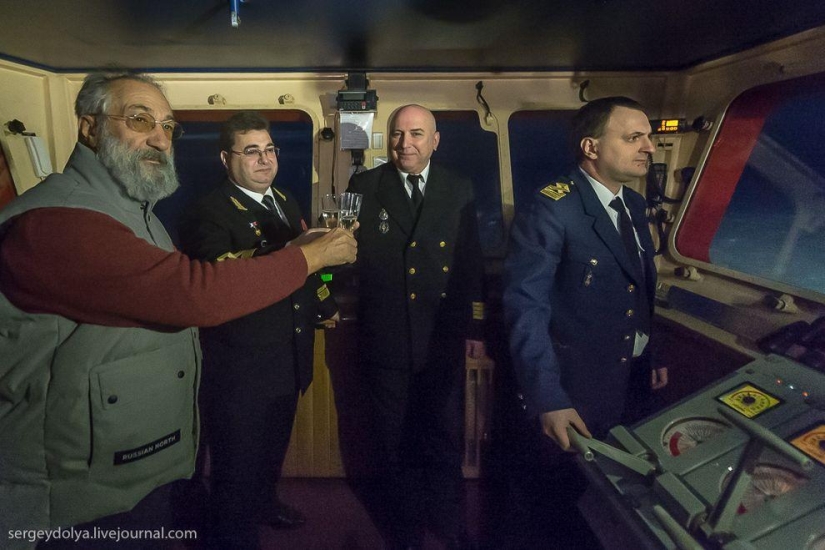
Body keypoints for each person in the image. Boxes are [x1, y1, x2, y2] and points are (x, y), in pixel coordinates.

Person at [0, 72, 356, 550]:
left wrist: (321, 294)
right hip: (74, 499)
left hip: (124, 473)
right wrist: (311, 256)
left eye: (168, 126)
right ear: (89, 128)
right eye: (139, 119)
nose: (159, 137)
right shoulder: (57, 220)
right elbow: (195, 292)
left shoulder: (133, 211)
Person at [502, 96, 668, 544]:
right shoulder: (552, 206)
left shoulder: (632, 206)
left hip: (627, 380)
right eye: (634, 137)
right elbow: (525, 306)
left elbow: (640, 290)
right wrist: (548, 398)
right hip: (574, 386)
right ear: (591, 147)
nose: (649, 147)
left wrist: (651, 354)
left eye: (648, 136)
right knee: (558, 508)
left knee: (613, 507)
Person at [178, 111, 338, 549]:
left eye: (270, 149)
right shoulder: (208, 212)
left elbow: (308, 271)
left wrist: (326, 301)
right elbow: (220, 277)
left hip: (289, 356)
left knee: (270, 452)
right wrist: (295, 250)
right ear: (226, 158)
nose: (265, 159)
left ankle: (265, 502)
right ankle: (231, 535)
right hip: (241, 367)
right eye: (252, 151)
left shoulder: (285, 201)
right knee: (236, 467)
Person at [346, 104, 486, 550]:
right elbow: (347, 254)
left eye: (417, 134)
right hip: (384, 337)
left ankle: (448, 524)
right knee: (393, 443)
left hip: (440, 337)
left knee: (443, 437)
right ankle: (404, 532)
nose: (405, 144)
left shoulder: (458, 187)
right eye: (397, 134)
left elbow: (468, 265)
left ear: (435, 140)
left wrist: (470, 330)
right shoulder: (365, 186)